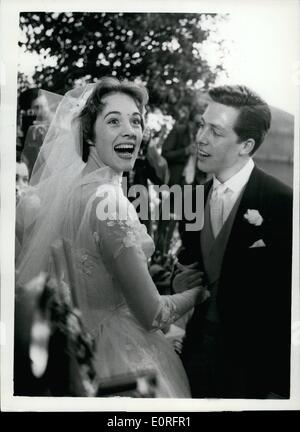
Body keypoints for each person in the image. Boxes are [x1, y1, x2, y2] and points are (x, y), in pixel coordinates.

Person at [15, 77, 209, 397]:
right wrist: (197, 293)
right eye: (114, 121)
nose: (130, 130)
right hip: (119, 359)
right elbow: (154, 314)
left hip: (78, 351)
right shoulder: (110, 202)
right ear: (89, 134)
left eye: (136, 120)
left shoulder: (70, 191)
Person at [175, 85, 293, 398]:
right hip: (195, 360)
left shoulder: (284, 204)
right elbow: (190, 263)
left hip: (252, 374)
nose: (200, 138)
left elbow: (288, 310)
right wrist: (180, 282)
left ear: (246, 145)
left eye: (215, 131)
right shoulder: (191, 199)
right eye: (202, 125)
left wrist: (280, 390)